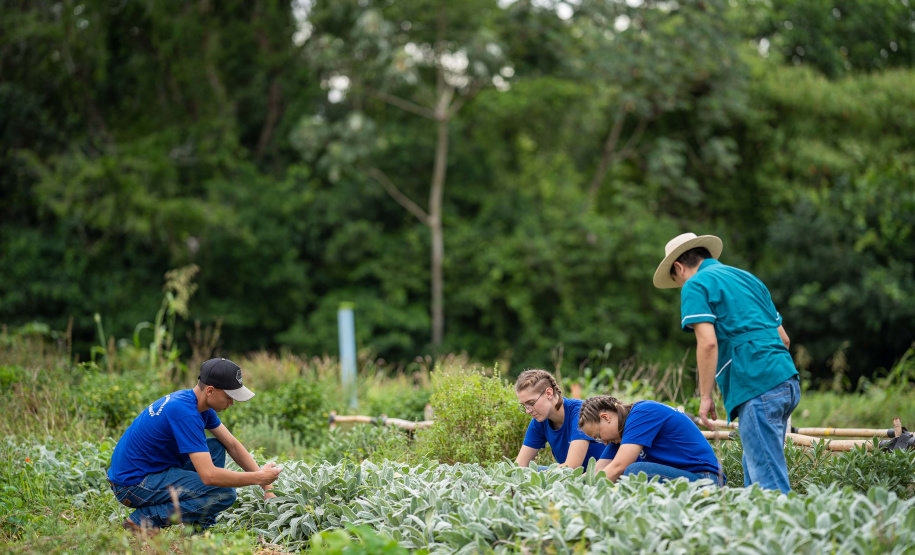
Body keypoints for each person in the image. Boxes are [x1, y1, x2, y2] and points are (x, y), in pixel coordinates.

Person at [654, 232, 800, 493]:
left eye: (677, 281)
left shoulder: (695, 284)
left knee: (769, 485)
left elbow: (708, 343)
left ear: (678, 267)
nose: (680, 286)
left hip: (756, 383)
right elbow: (784, 339)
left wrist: (705, 396)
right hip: (786, 379)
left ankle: (791, 531)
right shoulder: (749, 279)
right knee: (756, 469)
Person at [107, 358, 282, 533]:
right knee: (224, 493)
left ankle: (200, 528)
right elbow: (209, 476)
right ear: (210, 391)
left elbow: (233, 445)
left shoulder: (196, 404)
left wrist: (266, 487)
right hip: (132, 485)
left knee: (216, 447)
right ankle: (144, 520)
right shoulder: (185, 413)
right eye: (229, 397)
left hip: (147, 472)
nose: (232, 403)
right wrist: (259, 478)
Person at [578, 395, 723, 485]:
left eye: (598, 436)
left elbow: (618, 467)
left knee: (634, 472)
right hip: (684, 477)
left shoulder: (642, 413)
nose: (603, 442)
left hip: (706, 479)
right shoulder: (619, 436)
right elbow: (597, 470)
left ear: (605, 417)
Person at [514, 369, 605, 469]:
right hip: (569, 478)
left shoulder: (580, 411)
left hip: (599, 476)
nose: (528, 411)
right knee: (522, 471)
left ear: (548, 393)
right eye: (524, 406)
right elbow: (520, 465)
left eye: (531, 403)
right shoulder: (539, 421)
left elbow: (572, 467)